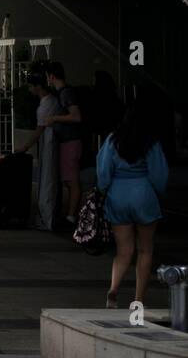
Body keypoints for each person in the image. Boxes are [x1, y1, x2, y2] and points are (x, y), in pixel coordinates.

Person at [99, 102, 169, 309]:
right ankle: (138, 299)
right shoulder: (150, 142)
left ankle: (113, 289)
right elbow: (159, 175)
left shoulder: (113, 139)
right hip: (144, 194)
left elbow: (103, 172)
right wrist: (158, 193)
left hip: (118, 196)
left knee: (123, 251)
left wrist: (105, 189)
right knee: (145, 251)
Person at [13, 73, 60, 231]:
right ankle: (47, 217)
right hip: (50, 142)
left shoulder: (46, 104)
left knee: (46, 179)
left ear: (37, 87)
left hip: (48, 143)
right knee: (49, 178)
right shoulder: (52, 101)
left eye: (30, 86)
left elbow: (39, 129)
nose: (29, 89)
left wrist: (25, 146)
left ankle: (46, 218)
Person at [44, 62, 83, 225]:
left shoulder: (65, 94)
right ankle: (70, 213)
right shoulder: (64, 93)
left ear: (51, 76)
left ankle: (71, 215)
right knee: (68, 179)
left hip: (70, 141)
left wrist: (54, 118)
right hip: (69, 140)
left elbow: (76, 116)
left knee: (71, 180)